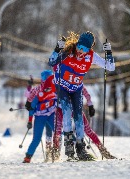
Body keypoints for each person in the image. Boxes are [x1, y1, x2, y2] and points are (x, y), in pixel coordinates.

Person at [48, 31, 115, 160]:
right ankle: (68, 147)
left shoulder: (91, 56)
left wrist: (109, 53)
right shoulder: (68, 52)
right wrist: (57, 49)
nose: (80, 50)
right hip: (62, 87)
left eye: (84, 49)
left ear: (89, 49)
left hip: (76, 90)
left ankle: (80, 148)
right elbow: (51, 62)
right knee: (67, 113)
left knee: (79, 119)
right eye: (79, 46)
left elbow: (110, 67)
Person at [52, 86, 116, 160]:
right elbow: (50, 95)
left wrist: (90, 105)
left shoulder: (75, 81)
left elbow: (85, 93)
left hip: (75, 109)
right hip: (60, 110)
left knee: (88, 130)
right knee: (57, 131)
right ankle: (55, 152)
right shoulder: (58, 81)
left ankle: (103, 151)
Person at [23, 70, 56, 163]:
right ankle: (28, 157)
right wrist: (29, 120)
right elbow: (31, 105)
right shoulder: (38, 90)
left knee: (57, 133)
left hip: (51, 114)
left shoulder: (55, 88)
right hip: (40, 116)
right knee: (37, 138)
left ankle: (52, 153)